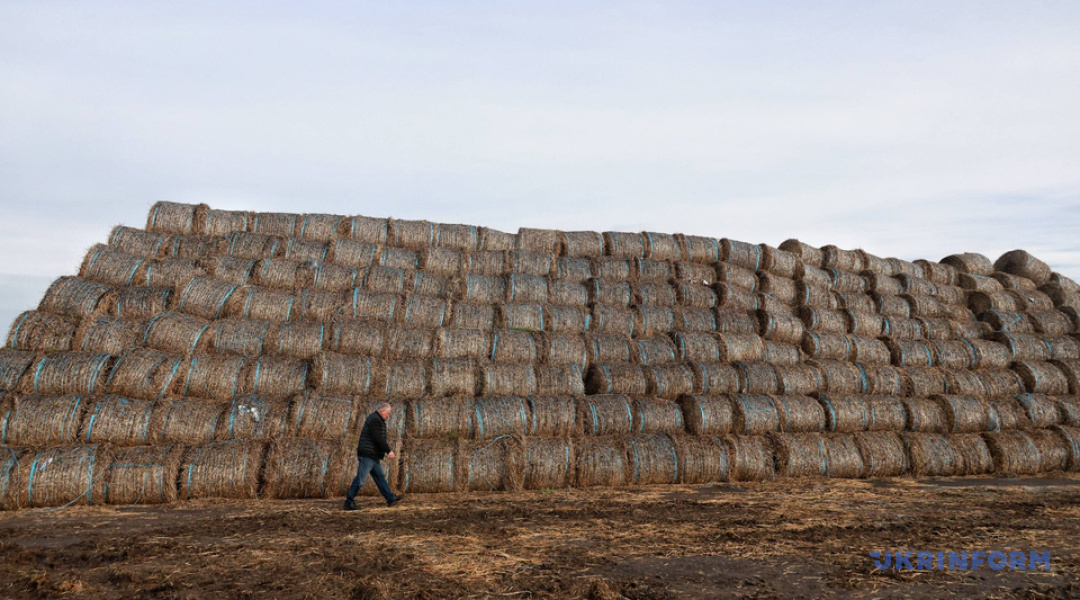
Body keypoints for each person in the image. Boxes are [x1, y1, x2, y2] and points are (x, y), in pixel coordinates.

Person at [344, 403, 404, 510]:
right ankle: (348, 502)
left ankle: (390, 498)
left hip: (373, 455)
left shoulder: (377, 419)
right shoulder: (375, 420)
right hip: (368, 455)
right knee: (360, 479)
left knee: (380, 477)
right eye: (388, 413)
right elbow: (378, 438)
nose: (388, 416)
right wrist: (388, 451)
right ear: (382, 411)